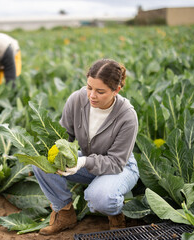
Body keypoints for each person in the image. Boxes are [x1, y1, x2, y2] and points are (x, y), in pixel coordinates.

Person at [32, 59, 140, 235]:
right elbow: (64, 137)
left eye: (100, 91)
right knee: (40, 161)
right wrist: (57, 154)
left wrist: (82, 162)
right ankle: (65, 213)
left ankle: (115, 216)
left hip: (120, 168)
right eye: (89, 88)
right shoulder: (77, 100)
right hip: (88, 162)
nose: (92, 95)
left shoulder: (127, 116)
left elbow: (115, 163)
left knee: (100, 198)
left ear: (116, 90)